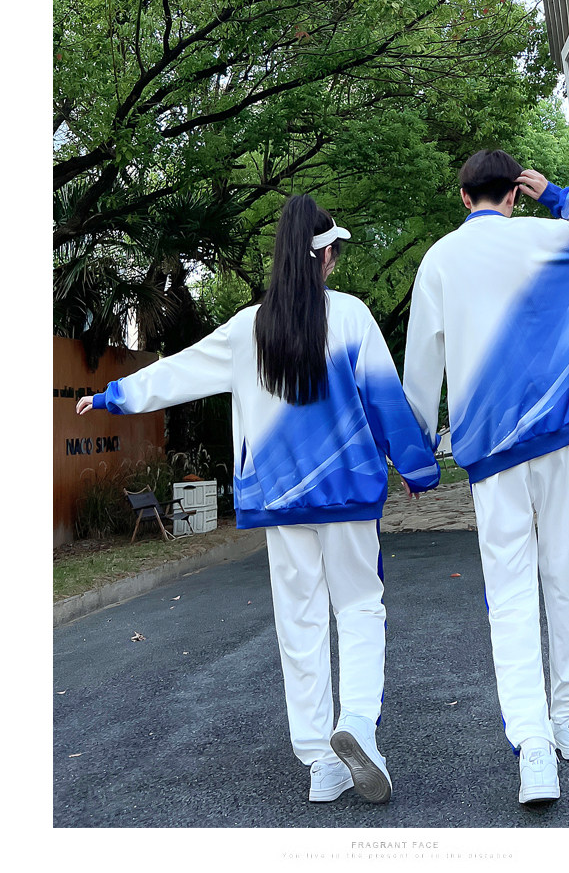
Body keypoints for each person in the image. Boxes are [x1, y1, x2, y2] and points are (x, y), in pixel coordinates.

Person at [76, 194, 440, 805]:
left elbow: (179, 372)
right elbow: (384, 397)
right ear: (324, 256)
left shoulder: (248, 328)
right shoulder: (352, 317)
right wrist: (417, 467)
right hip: (348, 494)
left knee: (299, 621)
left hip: (280, 500)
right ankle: (357, 724)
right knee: (359, 607)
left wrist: (114, 395)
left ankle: (320, 762)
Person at [402, 149, 569, 805]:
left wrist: (417, 458)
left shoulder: (439, 260)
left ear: (462, 196)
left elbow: (421, 368)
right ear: (513, 193)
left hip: (490, 446)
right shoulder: (550, 235)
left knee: (508, 589)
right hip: (558, 432)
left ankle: (533, 745)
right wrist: (555, 193)